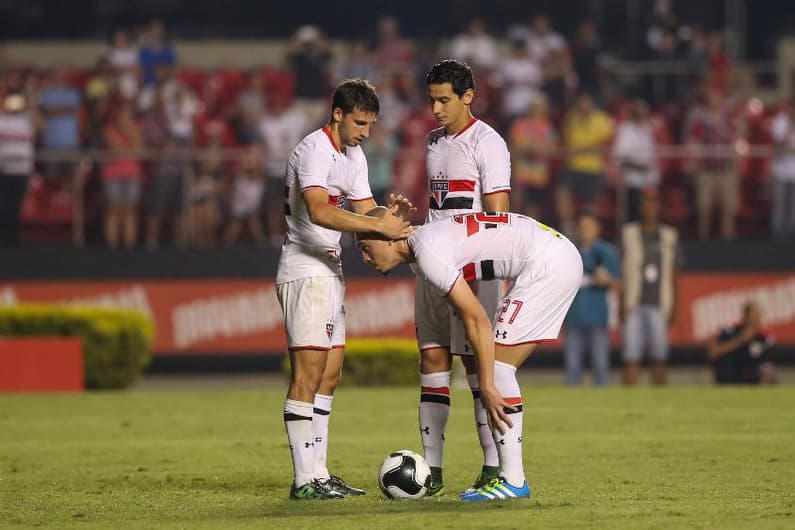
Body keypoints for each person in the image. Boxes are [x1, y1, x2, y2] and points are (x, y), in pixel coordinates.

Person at [357, 208, 582, 501]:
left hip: (549, 265)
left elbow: (476, 319)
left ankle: (512, 481)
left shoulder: (428, 253)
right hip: (555, 256)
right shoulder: (424, 246)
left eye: (365, 247)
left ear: (388, 238)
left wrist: (486, 385)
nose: (364, 258)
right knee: (498, 368)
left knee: (498, 372)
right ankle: (507, 477)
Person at [276, 78, 413, 500]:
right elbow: (319, 211)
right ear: (337, 114)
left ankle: (319, 473)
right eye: (359, 122)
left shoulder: (353, 156)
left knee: (330, 375)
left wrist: (389, 218)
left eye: (370, 124)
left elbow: (363, 209)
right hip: (305, 268)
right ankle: (304, 482)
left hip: (331, 271)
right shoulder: (313, 149)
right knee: (309, 374)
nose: (365, 133)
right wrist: (376, 225)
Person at [417, 60, 512, 497]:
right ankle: (430, 473)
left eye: (444, 99)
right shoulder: (433, 142)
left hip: (472, 270)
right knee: (433, 360)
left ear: (467, 96)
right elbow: (441, 208)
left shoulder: (488, 142)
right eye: (432, 99)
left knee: (476, 364)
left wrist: (486, 271)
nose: (435, 109)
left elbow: (498, 216)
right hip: (433, 267)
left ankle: (493, 466)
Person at [620, 189, 681, 385]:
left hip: (659, 302)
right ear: (640, 208)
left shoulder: (669, 235)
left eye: (653, 204)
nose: (649, 209)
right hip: (633, 303)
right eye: (646, 204)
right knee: (631, 356)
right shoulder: (628, 233)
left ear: (658, 208)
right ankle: (626, 402)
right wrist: (621, 304)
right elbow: (622, 272)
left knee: (659, 356)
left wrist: (674, 307)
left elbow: (674, 273)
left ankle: (660, 399)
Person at [564, 210, 620, 386]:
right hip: (573, 315)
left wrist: (606, 280)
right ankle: (572, 405)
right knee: (573, 366)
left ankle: (603, 404)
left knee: (601, 365)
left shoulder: (606, 252)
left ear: (597, 229)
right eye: (582, 227)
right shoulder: (569, 249)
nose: (585, 230)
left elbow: (619, 282)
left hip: (597, 315)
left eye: (589, 227)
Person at [707, 301, 776, 385]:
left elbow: (767, 365)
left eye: (758, 316)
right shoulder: (730, 330)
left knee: (771, 380)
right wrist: (740, 340)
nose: (756, 319)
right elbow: (712, 353)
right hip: (729, 378)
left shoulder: (764, 338)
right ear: (745, 316)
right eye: (754, 316)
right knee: (725, 365)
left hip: (752, 379)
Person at [0, 93, 35, 247]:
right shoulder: (1, 120)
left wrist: (31, 106)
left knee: (16, 204)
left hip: (22, 168)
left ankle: (13, 238)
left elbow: (41, 126)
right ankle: (4, 237)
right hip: (4, 167)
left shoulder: (27, 119)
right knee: (4, 204)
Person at [770, 98, 795, 239]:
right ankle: (778, 235)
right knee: (780, 206)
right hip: (781, 172)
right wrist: (790, 128)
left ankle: (792, 236)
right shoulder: (780, 121)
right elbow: (779, 146)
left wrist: (788, 150)